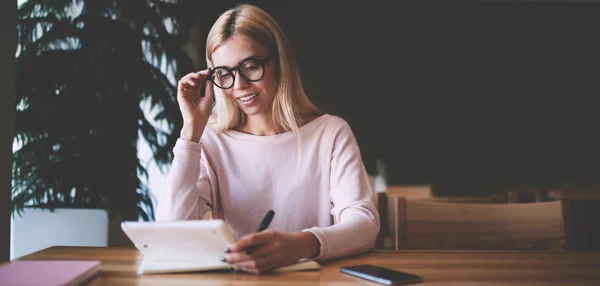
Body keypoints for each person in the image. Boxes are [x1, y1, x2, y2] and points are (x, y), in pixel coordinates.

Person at [157, 4, 379, 274]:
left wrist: (300, 245)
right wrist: (190, 133)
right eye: (224, 74)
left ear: (279, 62)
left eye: (250, 66)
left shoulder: (330, 133)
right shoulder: (212, 141)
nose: (238, 85)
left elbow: (364, 225)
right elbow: (172, 232)